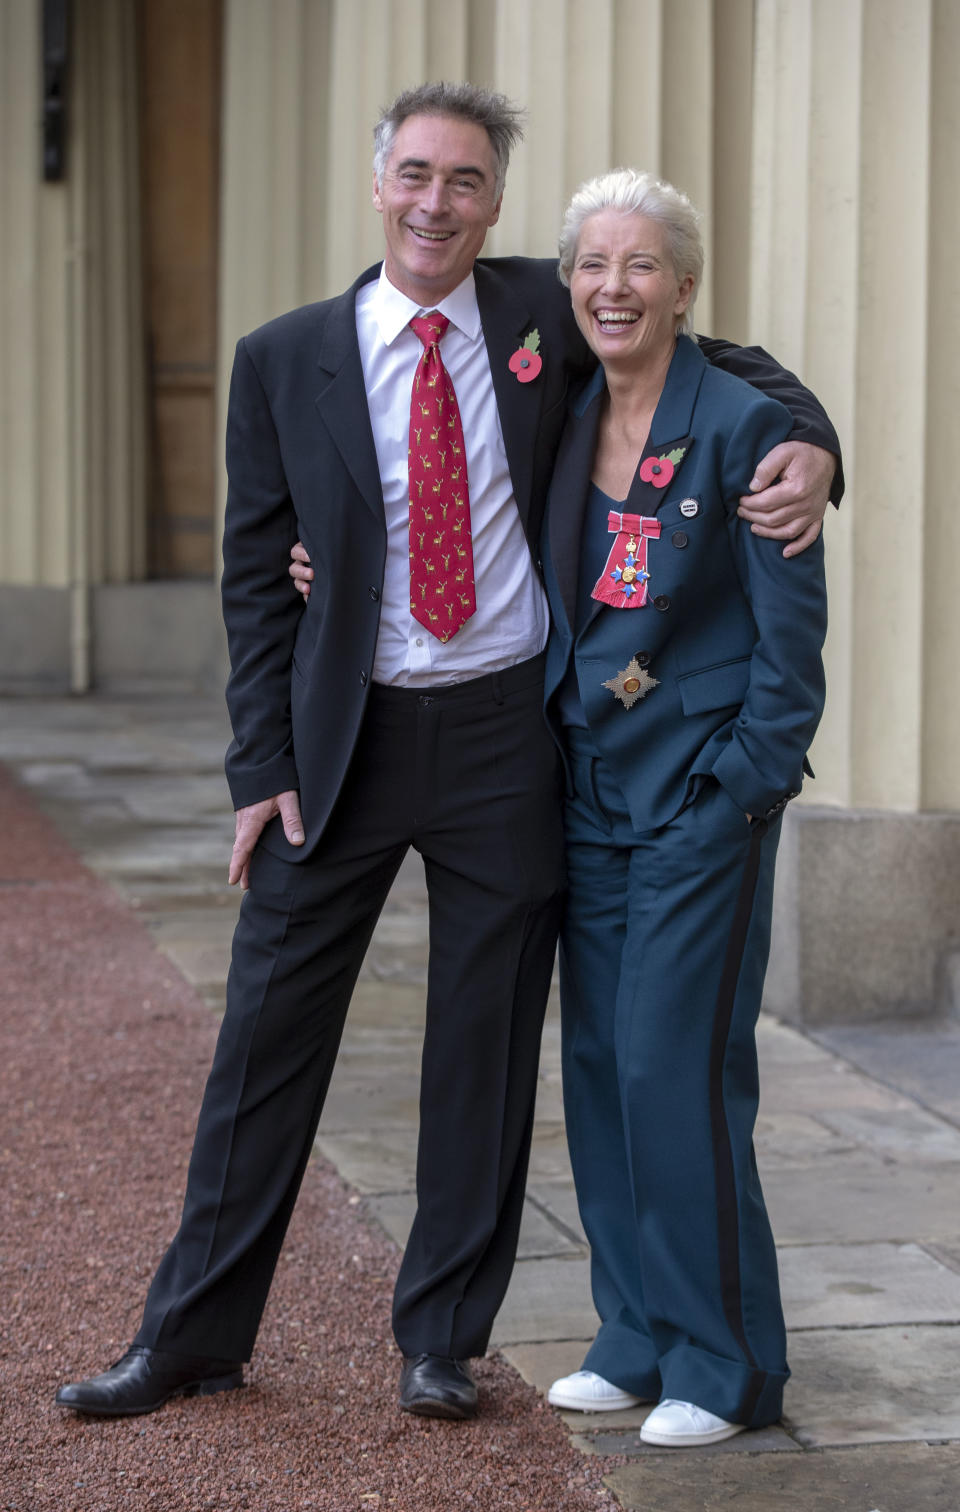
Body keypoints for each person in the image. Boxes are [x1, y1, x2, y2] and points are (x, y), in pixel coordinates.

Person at [56, 84, 838, 1427]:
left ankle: (442, 1338)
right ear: (380, 185)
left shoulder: (547, 309)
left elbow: (722, 363)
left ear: (491, 205)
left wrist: (820, 449)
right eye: (416, 174)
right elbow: (255, 581)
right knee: (265, 1041)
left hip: (500, 735)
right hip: (343, 738)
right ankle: (188, 1333)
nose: (437, 203)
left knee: (482, 1051)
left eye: (466, 182)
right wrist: (259, 768)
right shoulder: (283, 355)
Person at [535, 169, 827, 1445]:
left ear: (685, 287)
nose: (614, 286)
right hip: (585, 791)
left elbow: (790, 647)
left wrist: (744, 789)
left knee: (675, 1070)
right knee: (597, 1068)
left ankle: (725, 1365)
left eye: (641, 264)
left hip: (700, 802)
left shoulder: (749, 427)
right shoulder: (553, 412)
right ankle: (635, 1335)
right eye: (593, 263)